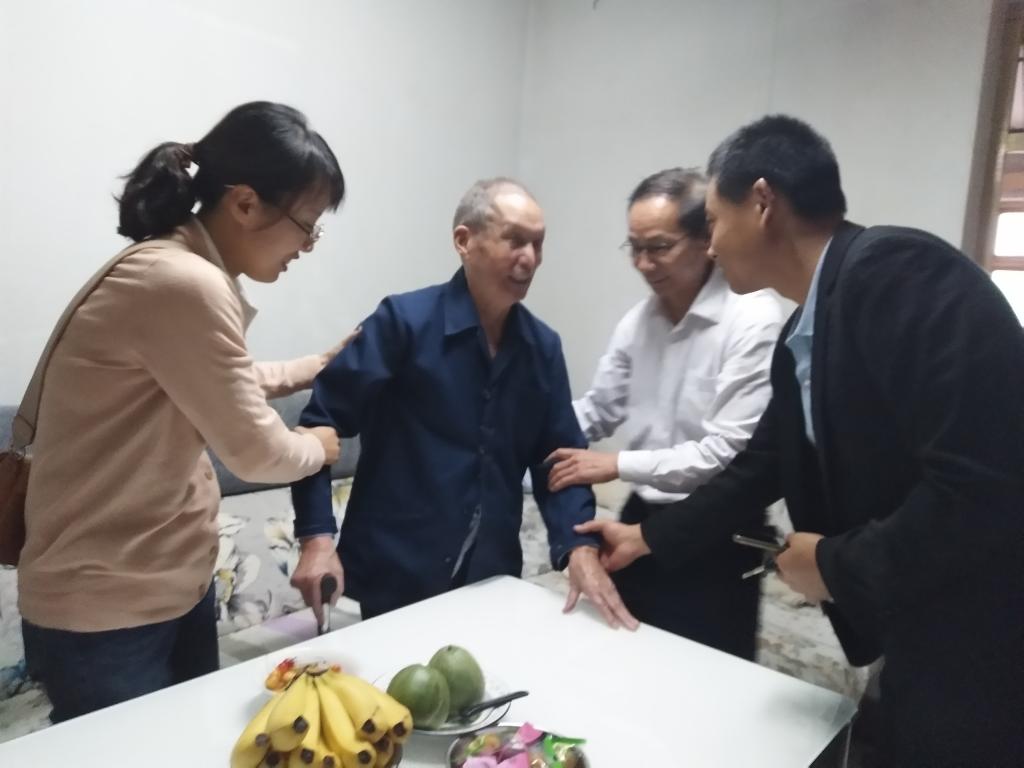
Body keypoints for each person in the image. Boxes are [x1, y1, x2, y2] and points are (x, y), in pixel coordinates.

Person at [578, 115, 1024, 766]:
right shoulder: (802, 336)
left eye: (714, 221)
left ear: (762, 203)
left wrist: (836, 567)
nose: (711, 243)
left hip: (987, 632)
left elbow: (985, 485)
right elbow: (760, 466)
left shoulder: (897, 271)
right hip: (919, 620)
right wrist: (647, 537)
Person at [19, 101, 351, 722]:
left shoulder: (174, 266)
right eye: (306, 225)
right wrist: (319, 448)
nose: (307, 245)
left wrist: (313, 366)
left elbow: (210, 381)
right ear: (245, 203)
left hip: (162, 586)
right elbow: (258, 453)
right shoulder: (184, 282)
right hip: (109, 611)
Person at [290, 178, 637, 629]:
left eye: (537, 244)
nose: (530, 258)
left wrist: (578, 547)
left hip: (490, 577)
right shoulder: (402, 322)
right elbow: (320, 423)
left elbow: (560, 462)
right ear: (464, 241)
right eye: (515, 240)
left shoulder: (542, 348)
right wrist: (316, 539)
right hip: (395, 572)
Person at [546, 168, 783, 659]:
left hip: (715, 531)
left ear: (706, 239)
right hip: (637, 521)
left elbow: (727, 454)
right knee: (621, 659)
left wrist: (615, 464)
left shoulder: (752, 317)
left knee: (707, 675)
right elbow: (598, 410)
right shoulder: (638, 323)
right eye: (634, 248)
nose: (643, 263)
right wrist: (529, 425)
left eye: (658, 247)